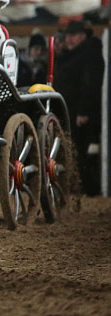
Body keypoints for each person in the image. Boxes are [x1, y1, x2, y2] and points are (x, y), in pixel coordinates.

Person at [53, 20, 104, 196]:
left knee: (80, 150)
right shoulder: (72, 55)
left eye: (73, 36)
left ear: (82, 36)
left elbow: (90, 85)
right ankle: (76, 188)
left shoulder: (89, 55)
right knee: (72, 149)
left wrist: (84, 110)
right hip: (68, 110)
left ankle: (87, 189)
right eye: (68, 35)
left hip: (79, 113)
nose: (69, 39)